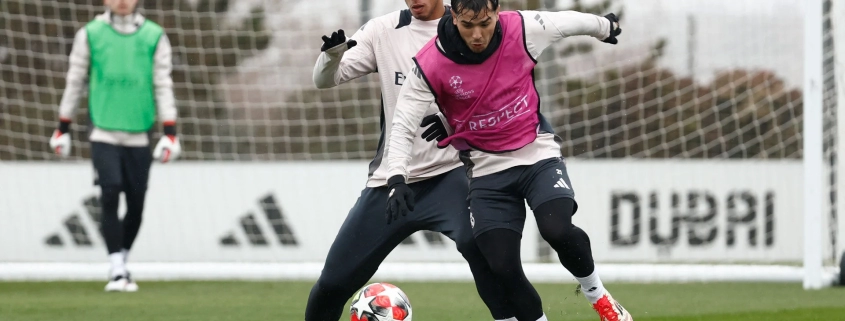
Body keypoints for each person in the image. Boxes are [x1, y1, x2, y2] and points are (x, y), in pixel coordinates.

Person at [385, 0, 633, 320]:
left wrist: (604, 27)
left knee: (556, 230)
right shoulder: (430, 63)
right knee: (501, 267)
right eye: (468, 25)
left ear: (498, 11)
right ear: (454, 16)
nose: (477, 34)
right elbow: (403, 124)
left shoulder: (524, 28)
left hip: (536, 153)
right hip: (487, 170)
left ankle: (598, 296)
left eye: (485, 23)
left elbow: (565, 23)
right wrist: (397, 178)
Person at [306, 1, 517, 320]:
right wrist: (331, 56)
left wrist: (455, 121)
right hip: (392, 182)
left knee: (484, 249)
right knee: (333, 283)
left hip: (453, 174)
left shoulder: (473, 26)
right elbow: (324, 80)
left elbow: (506, 96)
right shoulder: (382, 31)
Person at [49, 0, 181, 292]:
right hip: (103, 131)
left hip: (139, 131)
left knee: (136, 204)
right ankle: (117, 269)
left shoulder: (154, 35)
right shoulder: (90, 34)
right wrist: (63, 127)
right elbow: (75, 80)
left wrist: (170, 131)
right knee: (109, 193)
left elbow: (163, 84)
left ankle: (121, 259)